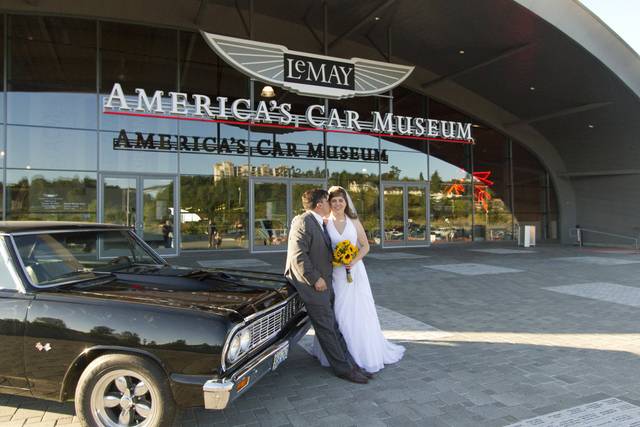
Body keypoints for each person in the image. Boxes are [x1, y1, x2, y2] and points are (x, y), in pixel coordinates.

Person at [312, 186, 405, 373]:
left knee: (358, 311)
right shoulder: (324, 222)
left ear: (346, 203)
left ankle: (363, 354)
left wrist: (351, 261)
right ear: (329, 203)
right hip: (335, 274)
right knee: (338, 311)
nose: (337, 204)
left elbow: (365, 246)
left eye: (341, 200)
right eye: (334, 200)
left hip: (354, 273)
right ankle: (337, 354)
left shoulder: (353, 221)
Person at [285, 189, 370, 384]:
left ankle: (351, 364)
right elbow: (297, 256)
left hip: (326, 282)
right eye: (327, 200)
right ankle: (343, 370)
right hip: (313, 285)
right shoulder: (303, 221)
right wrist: (315, 279)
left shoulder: (318, 222)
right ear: (319, 205)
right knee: (327, 328)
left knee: (333, 325)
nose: (330, 204)